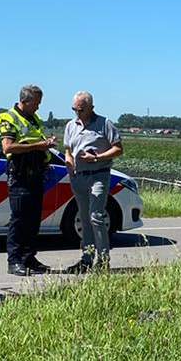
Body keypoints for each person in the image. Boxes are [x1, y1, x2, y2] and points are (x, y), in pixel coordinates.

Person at [0, 84, 56, 276]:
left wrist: (46, 144)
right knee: (20, 220)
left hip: (36, 174)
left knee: (33, 220)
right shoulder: (8, 117)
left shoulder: (33, 118)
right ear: (25, 101)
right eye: (36, 103)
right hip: (20, 175)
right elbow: (8, 147)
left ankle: (29, 257)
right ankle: (14, 260)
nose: (38, 107)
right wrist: (39, 145)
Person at [62, 90, 122, 272]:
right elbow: (67, 150)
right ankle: (86, 259)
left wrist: (97, 158)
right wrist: (69, 163)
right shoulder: (71, 126)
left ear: (90, 107)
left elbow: (118, 149)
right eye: (74, 109)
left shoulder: (105, 124)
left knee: (96, 216)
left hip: (99, 175)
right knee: (84, 219)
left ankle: (103, 260)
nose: (77, 113)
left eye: (81, 110)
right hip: (78, 176)